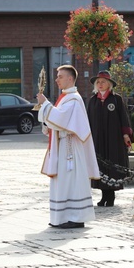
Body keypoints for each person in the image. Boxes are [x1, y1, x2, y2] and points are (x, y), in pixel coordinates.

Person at [36, 65, 100, 229]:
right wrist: (47, 117)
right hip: (64, 146)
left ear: (70, 79)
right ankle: (62, 216)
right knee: (62, 181)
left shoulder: (73, 99)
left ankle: (76, 217)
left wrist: (45, 104)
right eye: (57, 76)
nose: (57, 79)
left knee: (71, 181)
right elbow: (57, 120)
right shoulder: (65, 97)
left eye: (60, 76)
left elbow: (62, 119)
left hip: (71, 149)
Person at [87, 71, 133, 207]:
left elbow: (124, 118)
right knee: (100, 166)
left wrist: (126, 135)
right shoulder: (93, 100)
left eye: (103, 82)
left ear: (109, 84)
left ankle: (111, 196)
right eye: (98, 82)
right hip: (98, 139)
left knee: (112, 165)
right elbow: (88, 120)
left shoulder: (116, 99)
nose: (100, 85)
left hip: (114, 139)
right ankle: (103, 196)